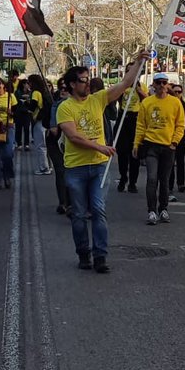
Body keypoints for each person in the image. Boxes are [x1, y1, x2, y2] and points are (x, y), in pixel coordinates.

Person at [58, 54, 145, 273]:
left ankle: (100, 256)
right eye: (83, 80)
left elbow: (125, 83)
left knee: (98, 210)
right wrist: (100, 147)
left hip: (99, 167)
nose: (87, 83)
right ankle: (83, 253)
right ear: (72, 84)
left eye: (88, 79)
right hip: (76, 168)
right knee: (79, 214)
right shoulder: (65, 108)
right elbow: (74, 137)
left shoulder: (98, 99)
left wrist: (138, 62)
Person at [134, 73, 185, 225]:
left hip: (168, 146)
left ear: (167, 85)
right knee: (152, 178)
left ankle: (163, 209)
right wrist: (136, 144)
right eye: (158, 82)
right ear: (154, 85)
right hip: (151, 145)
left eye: (164, 82)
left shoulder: (175, 103)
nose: (162, 85)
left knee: (164, 180)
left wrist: (174, 142)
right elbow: (141, 125)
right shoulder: (147, 103)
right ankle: (151, 211)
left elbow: (180, 125)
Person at [115, 78, 146, 193]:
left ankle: (133, 182)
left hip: (135, 118)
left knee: (135, 152)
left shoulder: (141, 86)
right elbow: (116, 99)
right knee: (122, 152)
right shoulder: (122, 85)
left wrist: (138, 89)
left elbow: (146, 99)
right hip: (123, 118)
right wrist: (122, 89)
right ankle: (123, 177)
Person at [46, 79, 70, 215]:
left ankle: (74, 201)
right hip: (56, 143)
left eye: (66, 88)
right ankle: (63, 202)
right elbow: (52, 129)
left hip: (74, 144)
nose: (63, 90)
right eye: (61, 88)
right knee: (61, 171)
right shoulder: (55, 104)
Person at [0, 77, 16, 190]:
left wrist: (12, 113)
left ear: (3, 85)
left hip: (8, 128)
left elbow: (18, 111)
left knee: (8, 154)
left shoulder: (10, 97)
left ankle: (7, 176)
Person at [28, 72, 53, 174]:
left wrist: (27, 106)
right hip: (46, 120)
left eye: (29, 82)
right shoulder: (44, 92)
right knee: (45, 145)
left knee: (40, 145)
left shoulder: (35, 93)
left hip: (39, 120)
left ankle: (43, 168)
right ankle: (49, 166)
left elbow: (32, 106)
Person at [13, 77, 34, 150]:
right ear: (23, 84)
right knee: (18, 128)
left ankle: (26, 144)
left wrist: (28, 100)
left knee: (26, 128)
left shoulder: (30, 92)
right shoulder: (18, 92)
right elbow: (15, 101)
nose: (28, 85)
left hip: (27, 112)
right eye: (27, 83)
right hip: (19, 112)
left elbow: (31, 103)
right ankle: (19, 143)